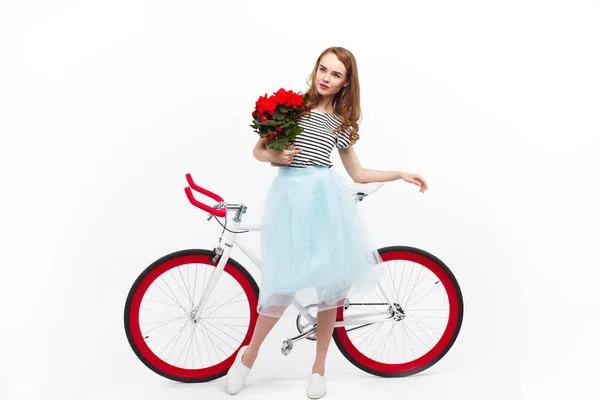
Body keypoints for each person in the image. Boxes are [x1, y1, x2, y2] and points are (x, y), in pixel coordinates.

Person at [226, 46, 428, 399]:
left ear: (345, 82)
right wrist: (278, 155)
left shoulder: (341, 123)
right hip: (290, 200)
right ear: (315, 69)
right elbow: (259, 151)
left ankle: (318, 368)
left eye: (335, 74)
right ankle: (248, 358)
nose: (326, 78)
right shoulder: (292, 109)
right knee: (282, 282)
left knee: (329, 287)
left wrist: (398, 173)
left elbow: (357, 172)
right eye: (323, 69)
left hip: (323, 200)